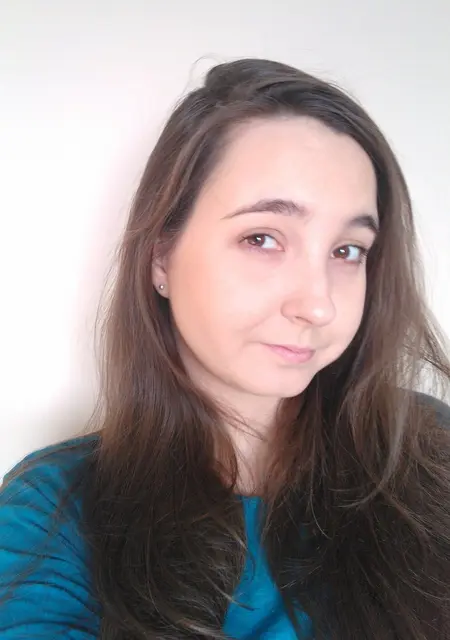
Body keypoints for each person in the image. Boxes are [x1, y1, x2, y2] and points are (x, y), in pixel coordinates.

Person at [1, 58, 449, 640]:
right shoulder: (53, 513)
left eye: (347, 251)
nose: (318, 305)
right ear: (162, 256)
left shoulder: (427, 447)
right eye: (262, 238)